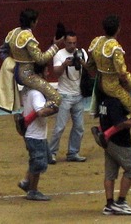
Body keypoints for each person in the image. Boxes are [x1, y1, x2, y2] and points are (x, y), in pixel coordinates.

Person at [87, 15, 131, 148]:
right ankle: (105, 134)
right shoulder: (115, 47)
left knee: (114, 111)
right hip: (113, 87)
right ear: (118, 29)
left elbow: (90, 65)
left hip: (100, 85)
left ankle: (101, 128)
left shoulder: (96, 41)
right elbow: (123, 74)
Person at [5, 8, 63, 135]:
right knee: (56, 98)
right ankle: (26, 120)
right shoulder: (28, 37)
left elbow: (4, 50)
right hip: (28, 75)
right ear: (32, 22)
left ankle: (24, 118)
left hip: (17, 72)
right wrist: (55, 46)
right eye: (36, 21)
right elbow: (41, 59)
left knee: (35, 96)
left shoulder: (13, 32)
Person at [94, 92, 131, 215]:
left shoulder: (103, 99)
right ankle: (121, 202)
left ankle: (110, 204)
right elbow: (120, 123)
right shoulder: (116, 101)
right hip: (121, 142)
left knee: (110, 173)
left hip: (107, 142)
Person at [17, 64, 57, 201]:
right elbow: (40, 112)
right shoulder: (37, 93)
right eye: (46, 70)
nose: (48, 73)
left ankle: (26, 181)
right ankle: (32, 191)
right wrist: (53, 109)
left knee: (38, 158)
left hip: (32, 132)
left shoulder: (27, 90)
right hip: (35, 134)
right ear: (39, 74)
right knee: (39, 163)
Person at [48, 31, 88, 164]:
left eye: (74, 43)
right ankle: (51, 153)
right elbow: (56, 73)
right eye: (69, 43)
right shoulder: (59, 54)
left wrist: (82, 62)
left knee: (79, 127)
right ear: (64, 42)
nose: (72, 46)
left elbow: (90, 70)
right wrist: (65, 65)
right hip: (64, 95)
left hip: (78, 95)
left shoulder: (81, 53)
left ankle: (73, 152)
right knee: (59, 127)